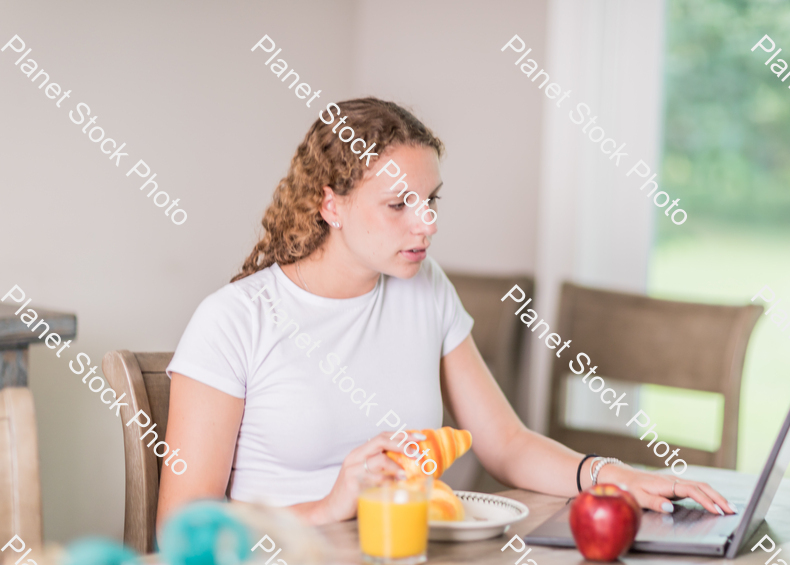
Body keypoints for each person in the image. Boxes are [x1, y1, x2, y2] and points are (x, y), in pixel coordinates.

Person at [158, 97, 735, 531]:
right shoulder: (234, 320)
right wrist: (330, 508)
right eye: (398, 205)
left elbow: (505, 443)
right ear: (330, 203)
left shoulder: (425, 287)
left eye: (430, 200)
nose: (426, 223)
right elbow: (181, 530)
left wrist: (609, 474)